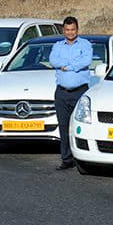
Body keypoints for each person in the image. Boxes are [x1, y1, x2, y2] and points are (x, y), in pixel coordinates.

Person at [48, 16, 93, 170]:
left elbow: (86, 61)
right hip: (62, 93)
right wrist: (73, 64)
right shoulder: (57, 46)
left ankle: (83, 158)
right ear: (63, 30)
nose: (70, 32)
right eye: (67, 29)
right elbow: (53, 60)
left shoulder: (85, 44)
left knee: (81, 126)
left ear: (77, 29)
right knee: (64, 126)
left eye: (73, 29)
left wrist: (68, 66)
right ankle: (66, 159)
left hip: (79, 92)